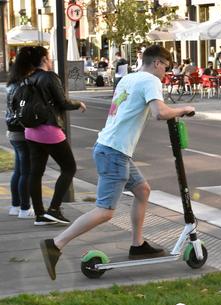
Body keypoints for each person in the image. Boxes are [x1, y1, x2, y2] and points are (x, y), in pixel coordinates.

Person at [39, 45, 196, 281]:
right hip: (114, 152)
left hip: (111, 148)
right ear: (157, 63)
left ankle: (137, 244)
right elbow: (159, 112)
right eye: (166, 66)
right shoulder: (150, 80)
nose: (166, 72)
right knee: (104, 211)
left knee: (142, 190)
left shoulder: (128, 78)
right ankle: (56, 244)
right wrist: (184, 108)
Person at [22, 46, 87, 226]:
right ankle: (54, 209)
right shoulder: (49, 76)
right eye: (49, 57)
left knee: (36, 172)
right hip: (49, 130)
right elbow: (62, 102)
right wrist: (78, 104)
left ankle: (40, 214)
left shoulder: (28, 78)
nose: (50, 60)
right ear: (44, 58)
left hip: (30, 131)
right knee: (69, 167)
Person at [4, 47, 35, 219]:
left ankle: (15, 206)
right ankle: (25, 208)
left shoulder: (12, 84)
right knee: (26, 172)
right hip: (22, 131)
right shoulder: (24, 85)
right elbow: (23, 108)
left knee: (18, 170)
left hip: (12, 130)